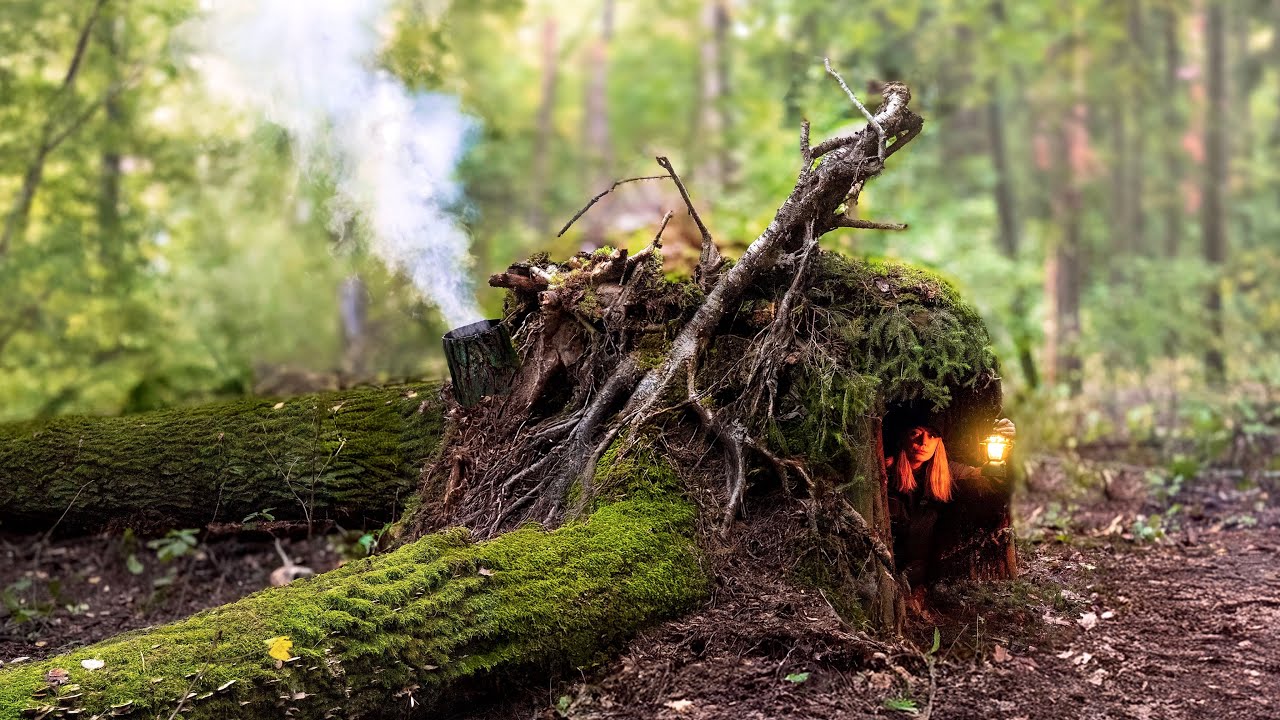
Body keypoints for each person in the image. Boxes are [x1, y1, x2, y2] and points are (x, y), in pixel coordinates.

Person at [884, 418, 1017, 598]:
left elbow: (989, 476)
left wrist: (1009, 448)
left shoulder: (945, 471)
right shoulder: (885, 470)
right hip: (888, 561)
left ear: (939, 442)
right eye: (915, 433)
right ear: (903, 437)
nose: (924, 442)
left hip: (923, 564)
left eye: (932, 436)